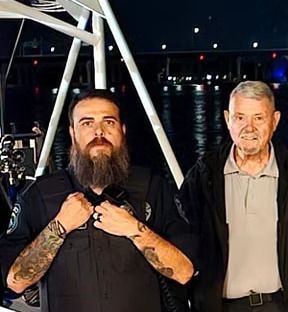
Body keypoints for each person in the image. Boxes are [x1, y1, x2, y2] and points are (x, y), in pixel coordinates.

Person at [0, 89, 195, 312]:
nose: (99, 132)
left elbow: (184, 272)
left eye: (109, 122)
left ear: (122, 130)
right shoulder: (40, 196)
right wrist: (59, 227)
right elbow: (15, 281)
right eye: (87, 123)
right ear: (73, 134)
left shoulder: (153, 188)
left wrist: (135, 229)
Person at [179, 81, 288, 311]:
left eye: (258, 118)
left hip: (285, 306)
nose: (248, 128)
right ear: (228, 119)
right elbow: (183, 242)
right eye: (240, 118)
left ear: (275, 120)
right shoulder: (203, 177)